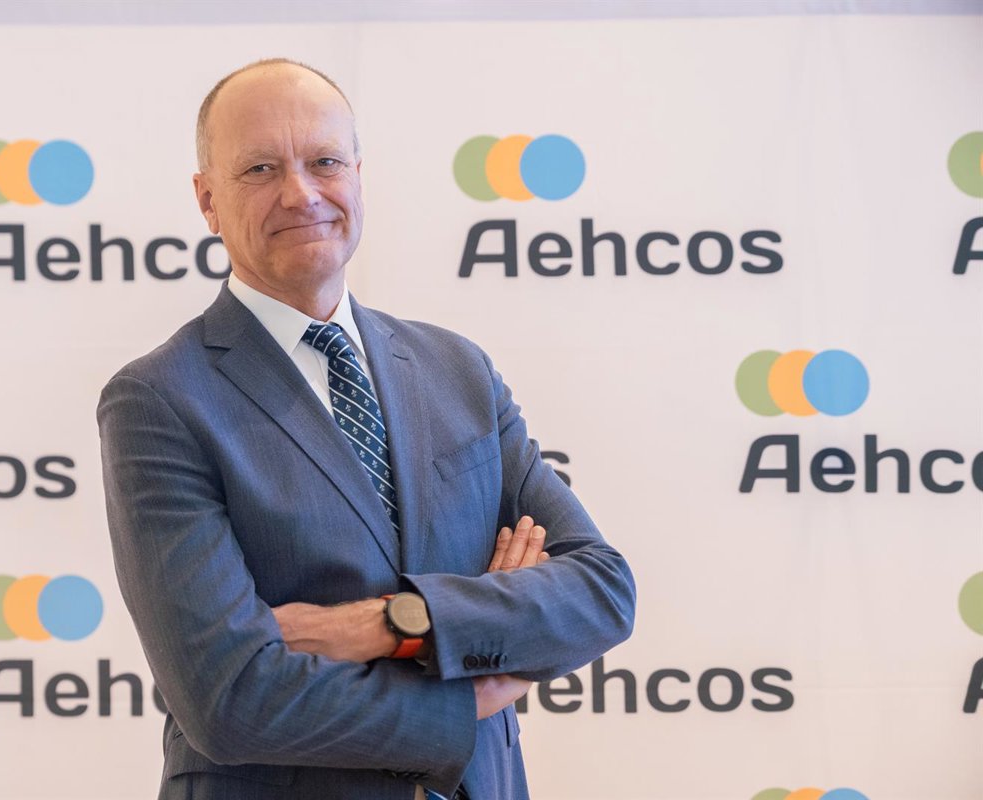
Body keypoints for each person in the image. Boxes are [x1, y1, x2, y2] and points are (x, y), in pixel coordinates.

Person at [97, 58, 635, 800]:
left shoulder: (457, 370)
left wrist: (393, 623)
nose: (300, 193)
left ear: (358, 176)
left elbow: (600, 591)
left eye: (324, 162)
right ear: (208, 199)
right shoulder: (160, 400)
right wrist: (471, 693)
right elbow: (229, 698)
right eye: (260, 169)